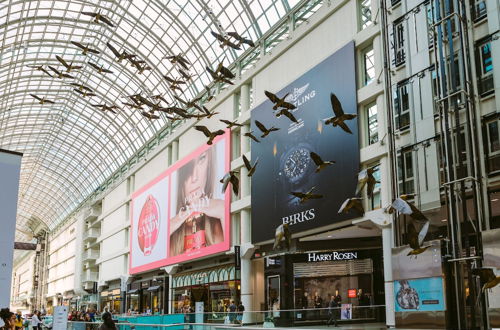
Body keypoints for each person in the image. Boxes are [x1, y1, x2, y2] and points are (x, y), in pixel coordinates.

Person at [169, 148, 225, 257]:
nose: (195, 177)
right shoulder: (171, 236)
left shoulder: (221, 220)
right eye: (188, 169)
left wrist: (224, 212)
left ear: (209, 163)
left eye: (202, 159)